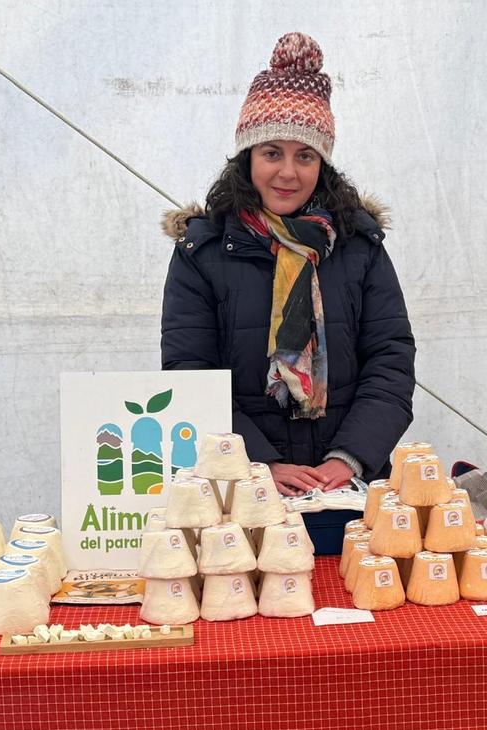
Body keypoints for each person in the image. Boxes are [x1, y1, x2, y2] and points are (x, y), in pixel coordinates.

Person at [160, 32, 415, 499]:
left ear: (324, 163)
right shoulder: (204, 252)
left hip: (349, 486)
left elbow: (390, 361)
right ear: (247, 158)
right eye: (271, 152)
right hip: (243, 490)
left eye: (305, 155)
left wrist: (350, 457)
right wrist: (261, 464)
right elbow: (189, 374)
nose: (287, 172)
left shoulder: (359, 246)